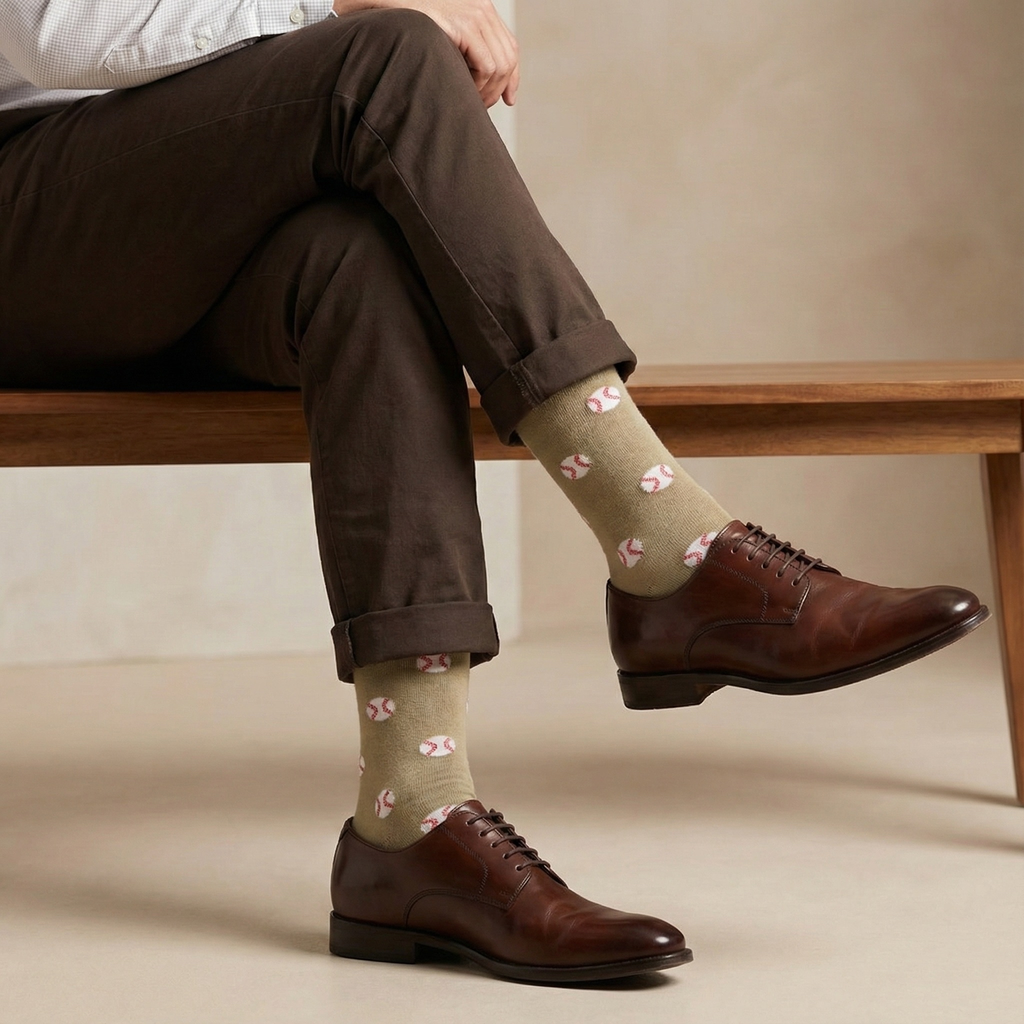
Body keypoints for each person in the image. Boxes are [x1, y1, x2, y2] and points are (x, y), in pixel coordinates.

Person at [0, 0, 988, 984]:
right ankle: (665, 543)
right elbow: (59, 30)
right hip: (27, 222)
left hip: (156, 228)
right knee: (384, 52)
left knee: (361, 257)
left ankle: (411, 814)